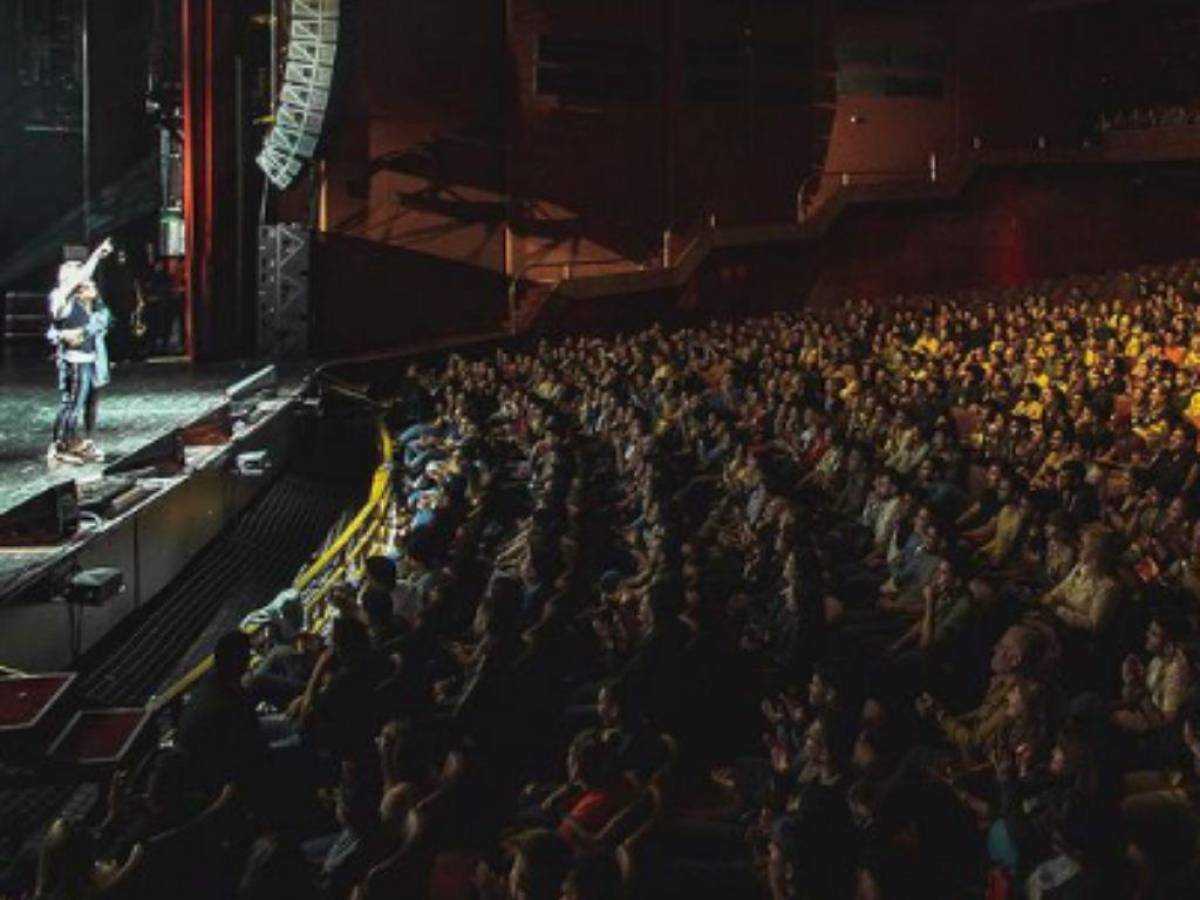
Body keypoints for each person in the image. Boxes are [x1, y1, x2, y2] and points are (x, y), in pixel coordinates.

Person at [47, 237, 114, 464]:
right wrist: (96, 255)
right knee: (72, 405)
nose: (83, 279)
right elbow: (54, 329)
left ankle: (73, 442)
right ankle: (62, 445)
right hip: (74, 360)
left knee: (79, 403)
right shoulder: (61, 299)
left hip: (88, 358)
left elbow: (103, 318)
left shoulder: (87, 299)